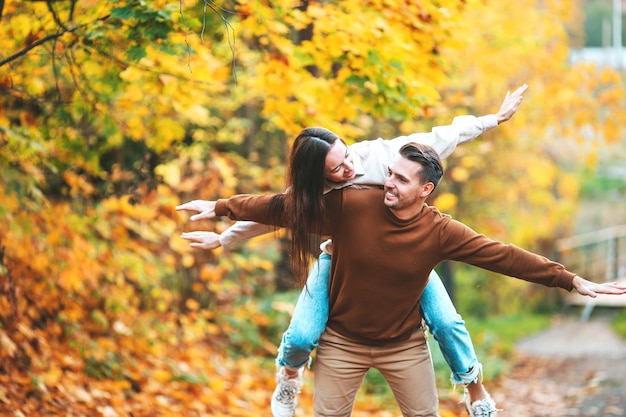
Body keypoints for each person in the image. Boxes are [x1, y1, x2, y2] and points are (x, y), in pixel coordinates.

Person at [178, 142, 626, 417]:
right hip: (341, 344)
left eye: (398, 179)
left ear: (425, 189)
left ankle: (474, 388)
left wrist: (570, 281)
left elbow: (503, 256)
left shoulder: (441, 231)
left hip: (404, 347)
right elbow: (282, 207)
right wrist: (220, 207)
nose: (385, 183)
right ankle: (288, 375)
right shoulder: (351, 205)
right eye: (388, 173)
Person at [177, 85, 529, 417]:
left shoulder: (381, 155)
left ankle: (475, 391)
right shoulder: (319, 194)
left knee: (447, 322)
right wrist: (225, 238)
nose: (350, 168)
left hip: (406, 258)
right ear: (319, 177)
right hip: (343, 257)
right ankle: (288, 378)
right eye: (338, 170)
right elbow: (276, 213)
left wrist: (493, 119)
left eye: (346, 154)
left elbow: (444, 136)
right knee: (301, 335)